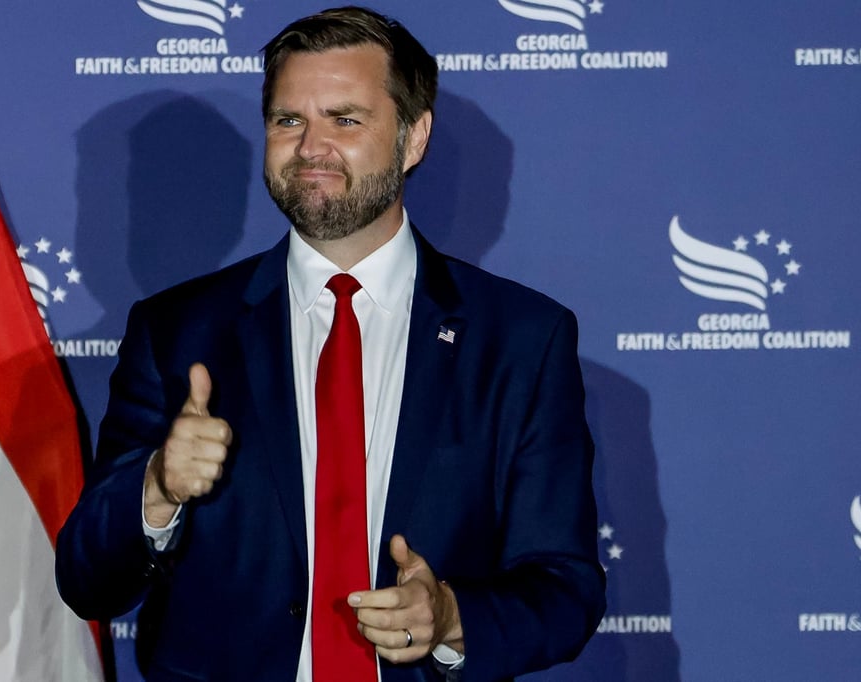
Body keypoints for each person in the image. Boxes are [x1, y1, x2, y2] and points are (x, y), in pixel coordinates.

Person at [56, 7, 605, 681]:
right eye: (289, 120)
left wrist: (450, 615)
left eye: (345, 119)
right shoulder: (176, 331)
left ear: (414, 138)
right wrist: (157, 489)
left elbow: (565, 590)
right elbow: (88, 582)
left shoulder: (521, 339)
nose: (311, 145)